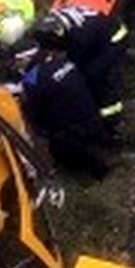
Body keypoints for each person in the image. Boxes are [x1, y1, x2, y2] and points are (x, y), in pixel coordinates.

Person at [20, 49, 113, 180]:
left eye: (17, 61)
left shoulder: (32, 80)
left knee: (60, 150)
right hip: (90, 110)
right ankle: (109, 143)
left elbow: (34, 112)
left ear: (25, 60)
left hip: (70, 125)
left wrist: (42, 131)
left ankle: (99, 171)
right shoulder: (62, 60)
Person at [31, 4, 130, 125]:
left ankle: (112, 116)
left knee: (92, 75)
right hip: (105, 29)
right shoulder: (58, 21)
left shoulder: (79, 37)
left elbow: (74, 64)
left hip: (114, 40)